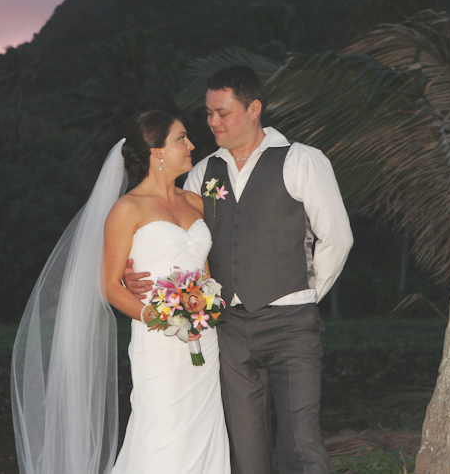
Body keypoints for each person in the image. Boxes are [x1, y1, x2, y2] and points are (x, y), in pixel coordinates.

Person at [125, 66, 353, 474]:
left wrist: (306, 292)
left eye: (222, 113)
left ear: (253, 109)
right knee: (245, 451)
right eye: (209, 113)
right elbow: (178, 236)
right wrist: (135, 268)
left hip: (290, 324)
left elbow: (337, 237)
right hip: (227, 329)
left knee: (301, 441)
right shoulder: (202, 172)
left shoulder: (302, 160)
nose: (213, 122)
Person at [11, 110, 230, 474]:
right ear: (156, 151)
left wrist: (206, 308)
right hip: (158, 339)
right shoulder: (127, 209)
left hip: (205, 337)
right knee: (161, 432)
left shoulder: (195, 203)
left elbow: (204, 269)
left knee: (204, 429)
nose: (191, 145)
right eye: (181, 138)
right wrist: (161, 317)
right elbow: (110, 285)